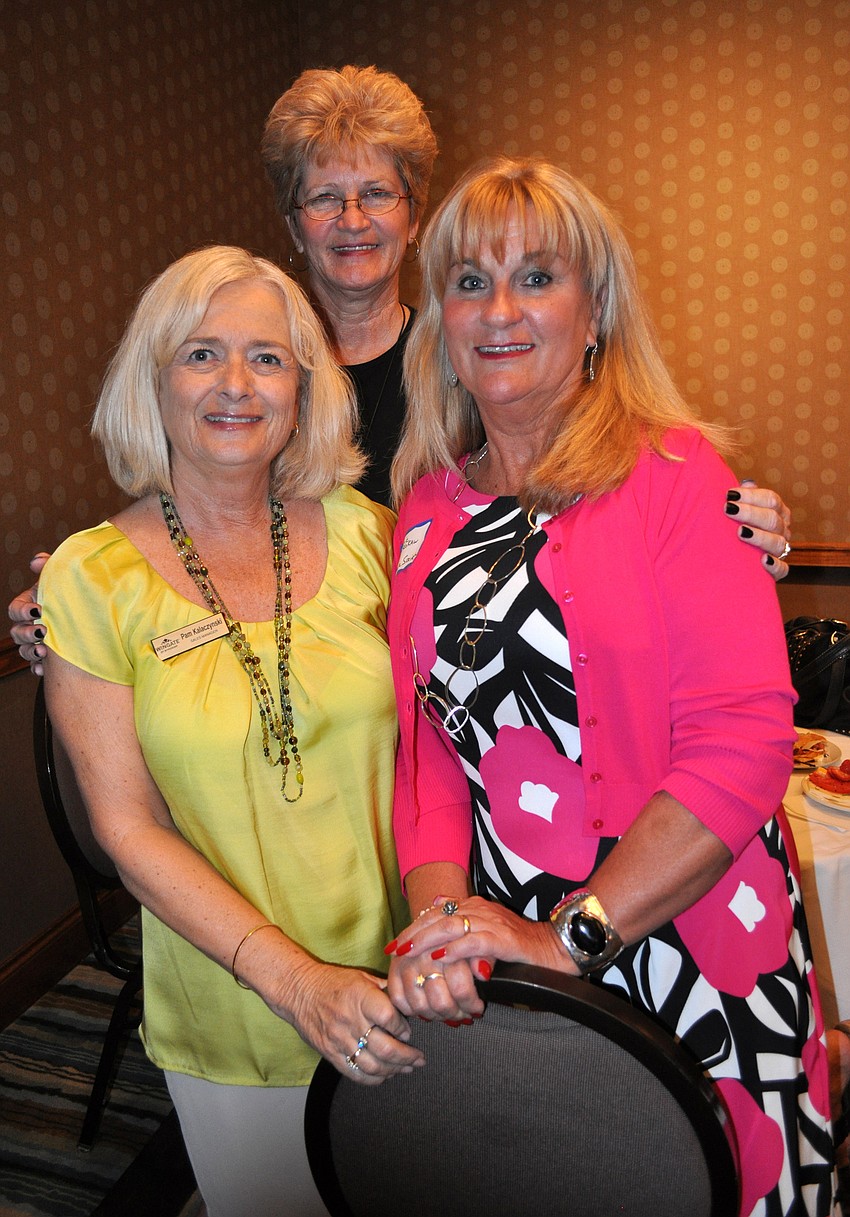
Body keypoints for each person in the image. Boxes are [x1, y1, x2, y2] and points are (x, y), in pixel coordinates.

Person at [383, 157, 833, 1216]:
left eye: (536, 277)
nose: (498, 310)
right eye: (467, 281)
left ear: (594, 313)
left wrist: (570, 935)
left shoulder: (679, 479)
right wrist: (440, 921)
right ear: (438, 319)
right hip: (510, 949)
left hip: (689, 941)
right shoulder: (423, 512)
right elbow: (428, 755)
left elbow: (741, 746)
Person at [36, 245, 424, 1217]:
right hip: (233, 1002)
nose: (236, 384)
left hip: (406, 979)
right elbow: (126, 827)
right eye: (202, 353)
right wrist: (294, 981)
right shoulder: (90, 579)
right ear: (152, 378)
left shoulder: (368, 532)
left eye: (267, 356)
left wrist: (723, 526)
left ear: (305, 384)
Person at [262, 63, 438, 505]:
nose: (353, 221)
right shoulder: (259, 369)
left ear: (413, 218)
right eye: (325, 198)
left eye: (377, 194)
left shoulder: (453, 366)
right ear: (295, 228)